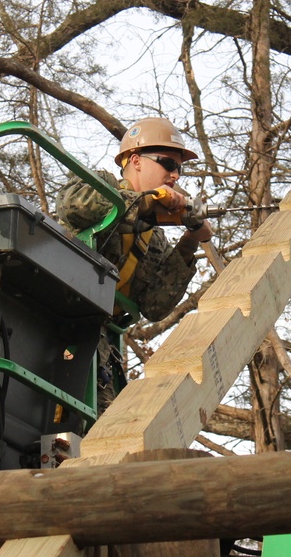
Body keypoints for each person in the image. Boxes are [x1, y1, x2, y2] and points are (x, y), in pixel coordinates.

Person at [56, 117, 213, 405]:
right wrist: (147, 201)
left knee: (100, 424)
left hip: (97, 343)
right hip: (55, 320)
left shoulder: (154, 240)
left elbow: (155, 306)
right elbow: (73, 205)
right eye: (168, 163)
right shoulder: (101, 184)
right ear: (136, 160)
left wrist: (190, 241)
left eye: (179, 168)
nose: (175, 175)